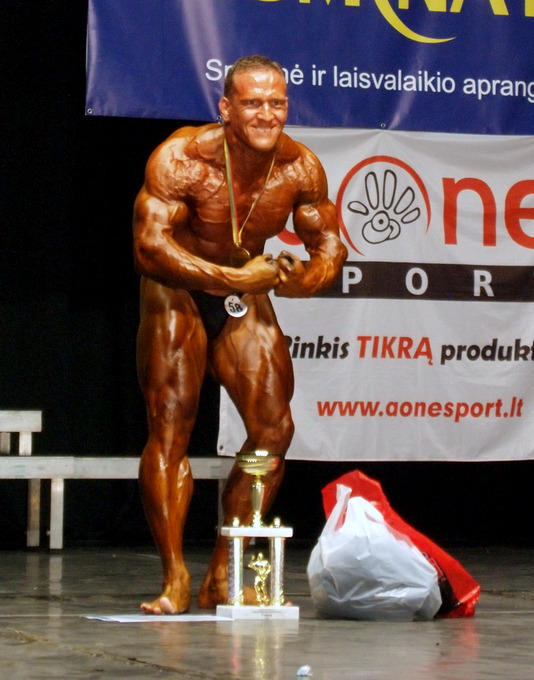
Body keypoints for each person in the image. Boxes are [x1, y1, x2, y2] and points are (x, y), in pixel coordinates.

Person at [133, 55, 347, 614]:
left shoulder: (300, 167)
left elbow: (330, 245)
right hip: (176, 289)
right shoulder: (182, 158)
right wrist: (232, 278)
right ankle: (175, 576)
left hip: (242, 290)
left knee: (273, 430)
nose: (266, 114)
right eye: (253, 103)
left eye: (276, 103)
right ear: (226, 108)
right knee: (171, 427)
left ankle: (223, 573)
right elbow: (149, 249)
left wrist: (307, 280)